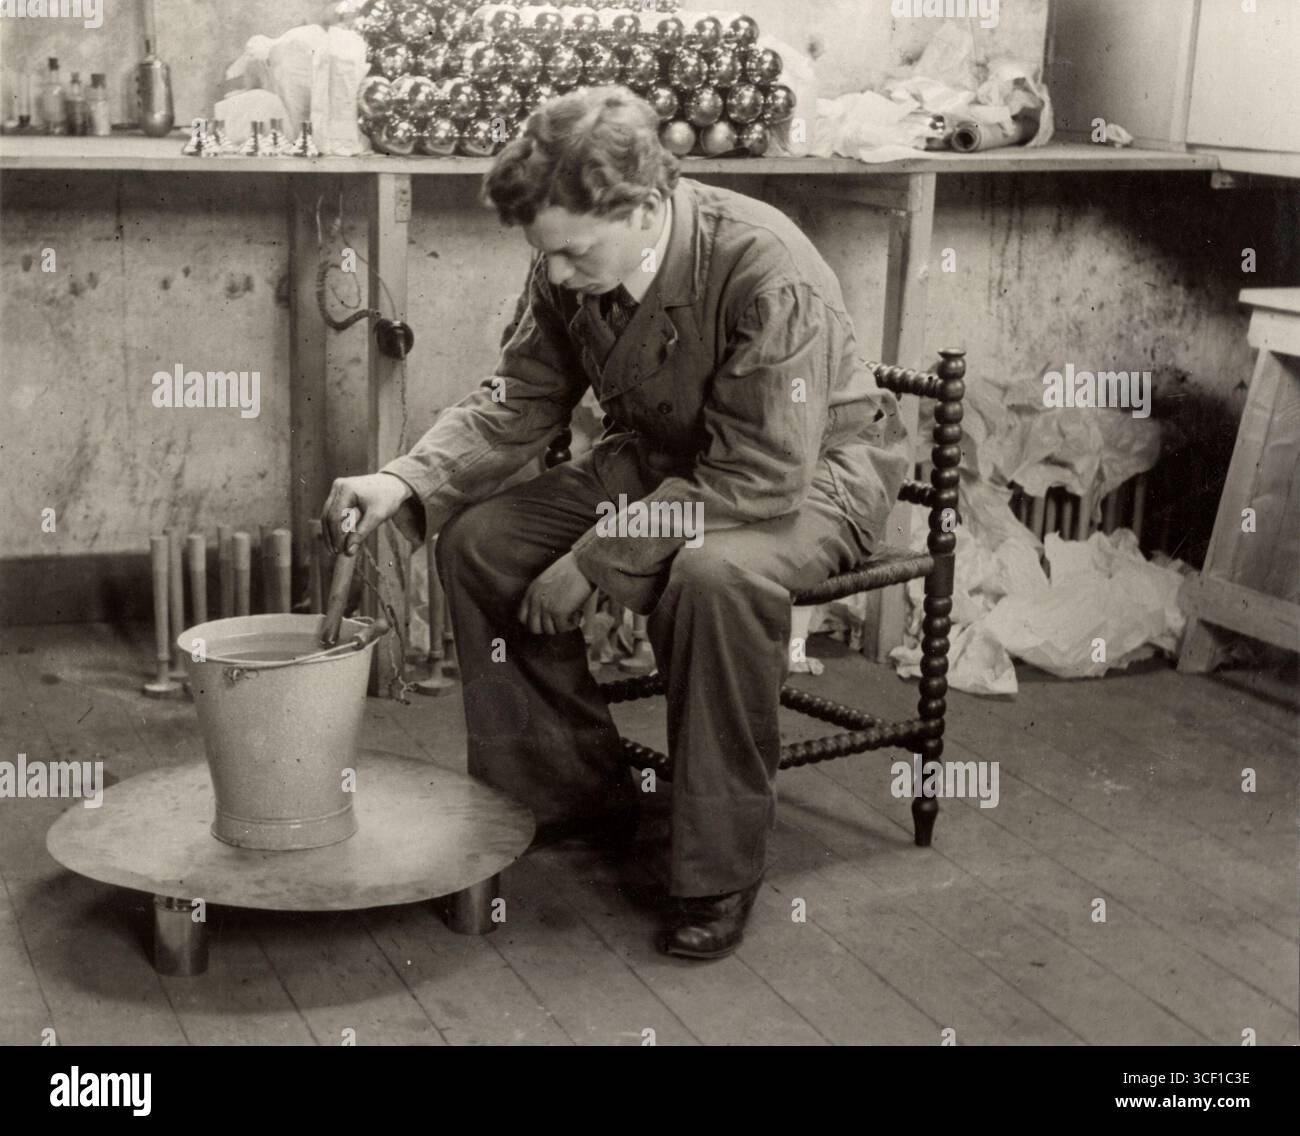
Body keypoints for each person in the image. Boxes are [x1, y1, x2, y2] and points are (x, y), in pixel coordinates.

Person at [321, 86, 911, 960]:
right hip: (662, 461)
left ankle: (717, 868)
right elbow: (520, 400)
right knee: (485, 545)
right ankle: (574, 794)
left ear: (643, 206)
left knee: (712, 579)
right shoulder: (574, 258)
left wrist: (597, 558)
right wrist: (402, 482)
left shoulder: (764, 267)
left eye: (572, 253)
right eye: (545, 255)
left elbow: (759, 473)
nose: (556, 275)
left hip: (809, 473)